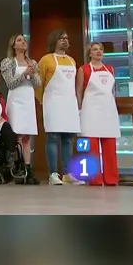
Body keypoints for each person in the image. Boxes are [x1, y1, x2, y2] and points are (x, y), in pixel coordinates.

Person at [36, 29, 83, 185]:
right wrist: (44, 101)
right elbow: (38, 84)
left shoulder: (71, 61)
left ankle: (68, 173)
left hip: (69, 103)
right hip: (53, 103)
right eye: (61, 38)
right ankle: (53, 174)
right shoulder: (46, 60)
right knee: (53, 137)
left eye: (66, 38)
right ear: (54, 41)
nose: (64, 41)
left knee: (68, 140)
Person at [0, 34, 42, 185]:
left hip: (28, 101)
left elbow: (37, 83)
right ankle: (15, 168)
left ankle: (28, 169)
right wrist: (24, 74)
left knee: (27, 137)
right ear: (13, 45)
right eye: (19, 40)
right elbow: (10, 84)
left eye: (24, 40)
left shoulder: (32, 62)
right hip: (16, 101)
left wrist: (34, 72)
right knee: (16, 136)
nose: (23, 42)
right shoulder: (8, 62)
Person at [76, 42, 120, 186]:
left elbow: (112, 91)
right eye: (95, 49)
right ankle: (95, 179)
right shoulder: (84, 70)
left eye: (100, 49)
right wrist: (79, 111)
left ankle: (111, 178)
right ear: (89, 53)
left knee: (110, 148)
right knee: (92, 148)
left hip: (108, 111)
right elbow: (79, 92)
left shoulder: (110, 69)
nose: (98, 51)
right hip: (90, 111)